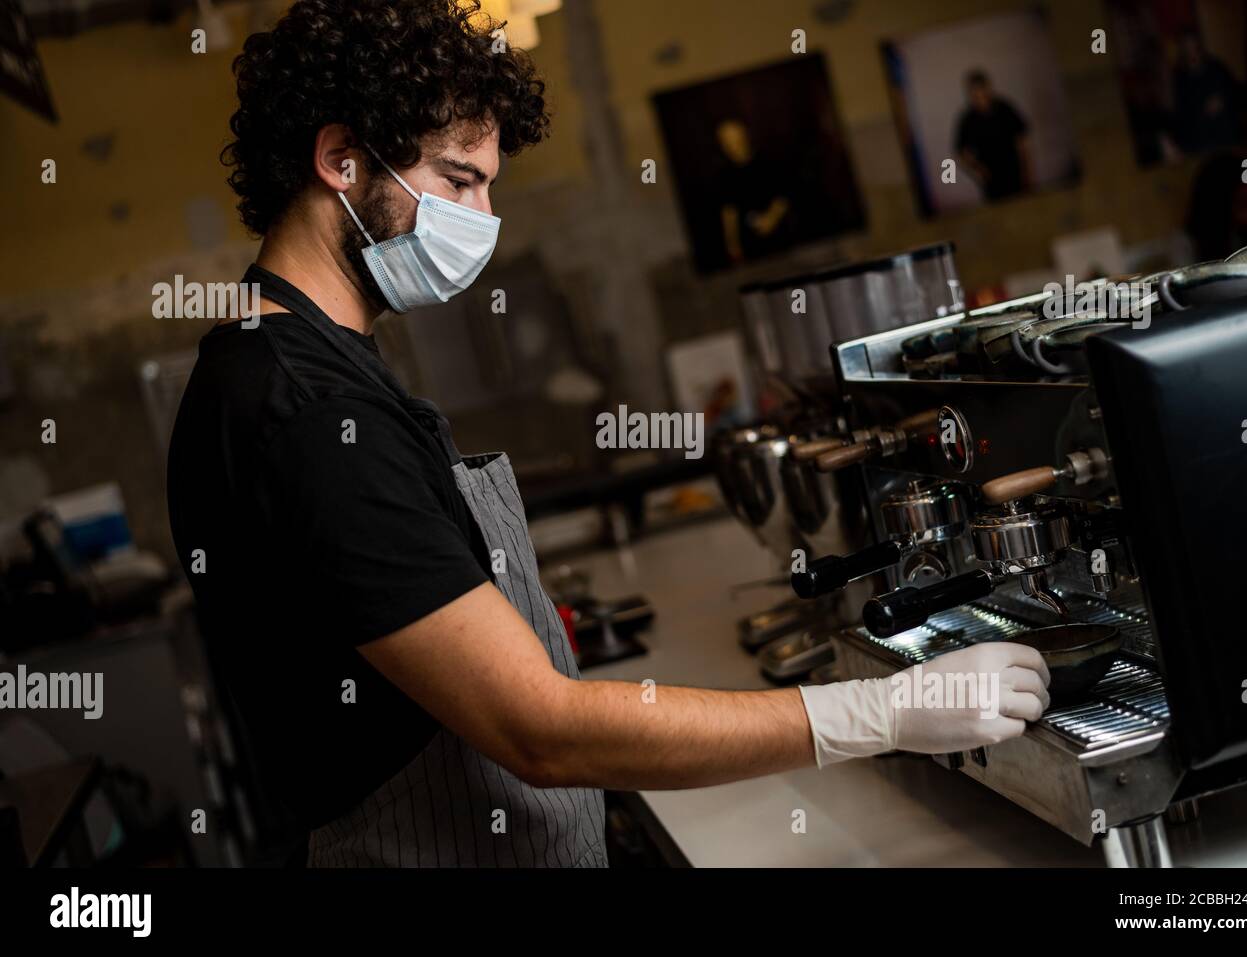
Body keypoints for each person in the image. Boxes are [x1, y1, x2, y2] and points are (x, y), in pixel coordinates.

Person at [167, 0, 1049, 868]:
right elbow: (538, 727)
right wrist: (877, 712)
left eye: (489, 186)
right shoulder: (308, 410)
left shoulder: (302, 363)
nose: (479, 219)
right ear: (340, 160)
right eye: (457, 179)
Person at [714, 118, 791, 265]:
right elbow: (729, 212)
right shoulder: (724, 176)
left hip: (780, 235)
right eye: (726, 141)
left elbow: (783, 195)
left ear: (744, 136)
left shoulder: (768, 162)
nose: (732, 146)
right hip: (751, 244)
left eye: (734, 139)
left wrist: (771, 218)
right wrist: (732, 244)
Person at [954, 70, 1032, 201]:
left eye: (981, 91)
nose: (979, 97)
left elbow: (1022, 140)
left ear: (988, 88)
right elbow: (960, 152)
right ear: (969, 94)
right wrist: (978, 171)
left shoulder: (1005, 107)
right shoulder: (967, 119)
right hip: (992, 182)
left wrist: (1028, 171)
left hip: (1016, 173)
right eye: (974, 93)